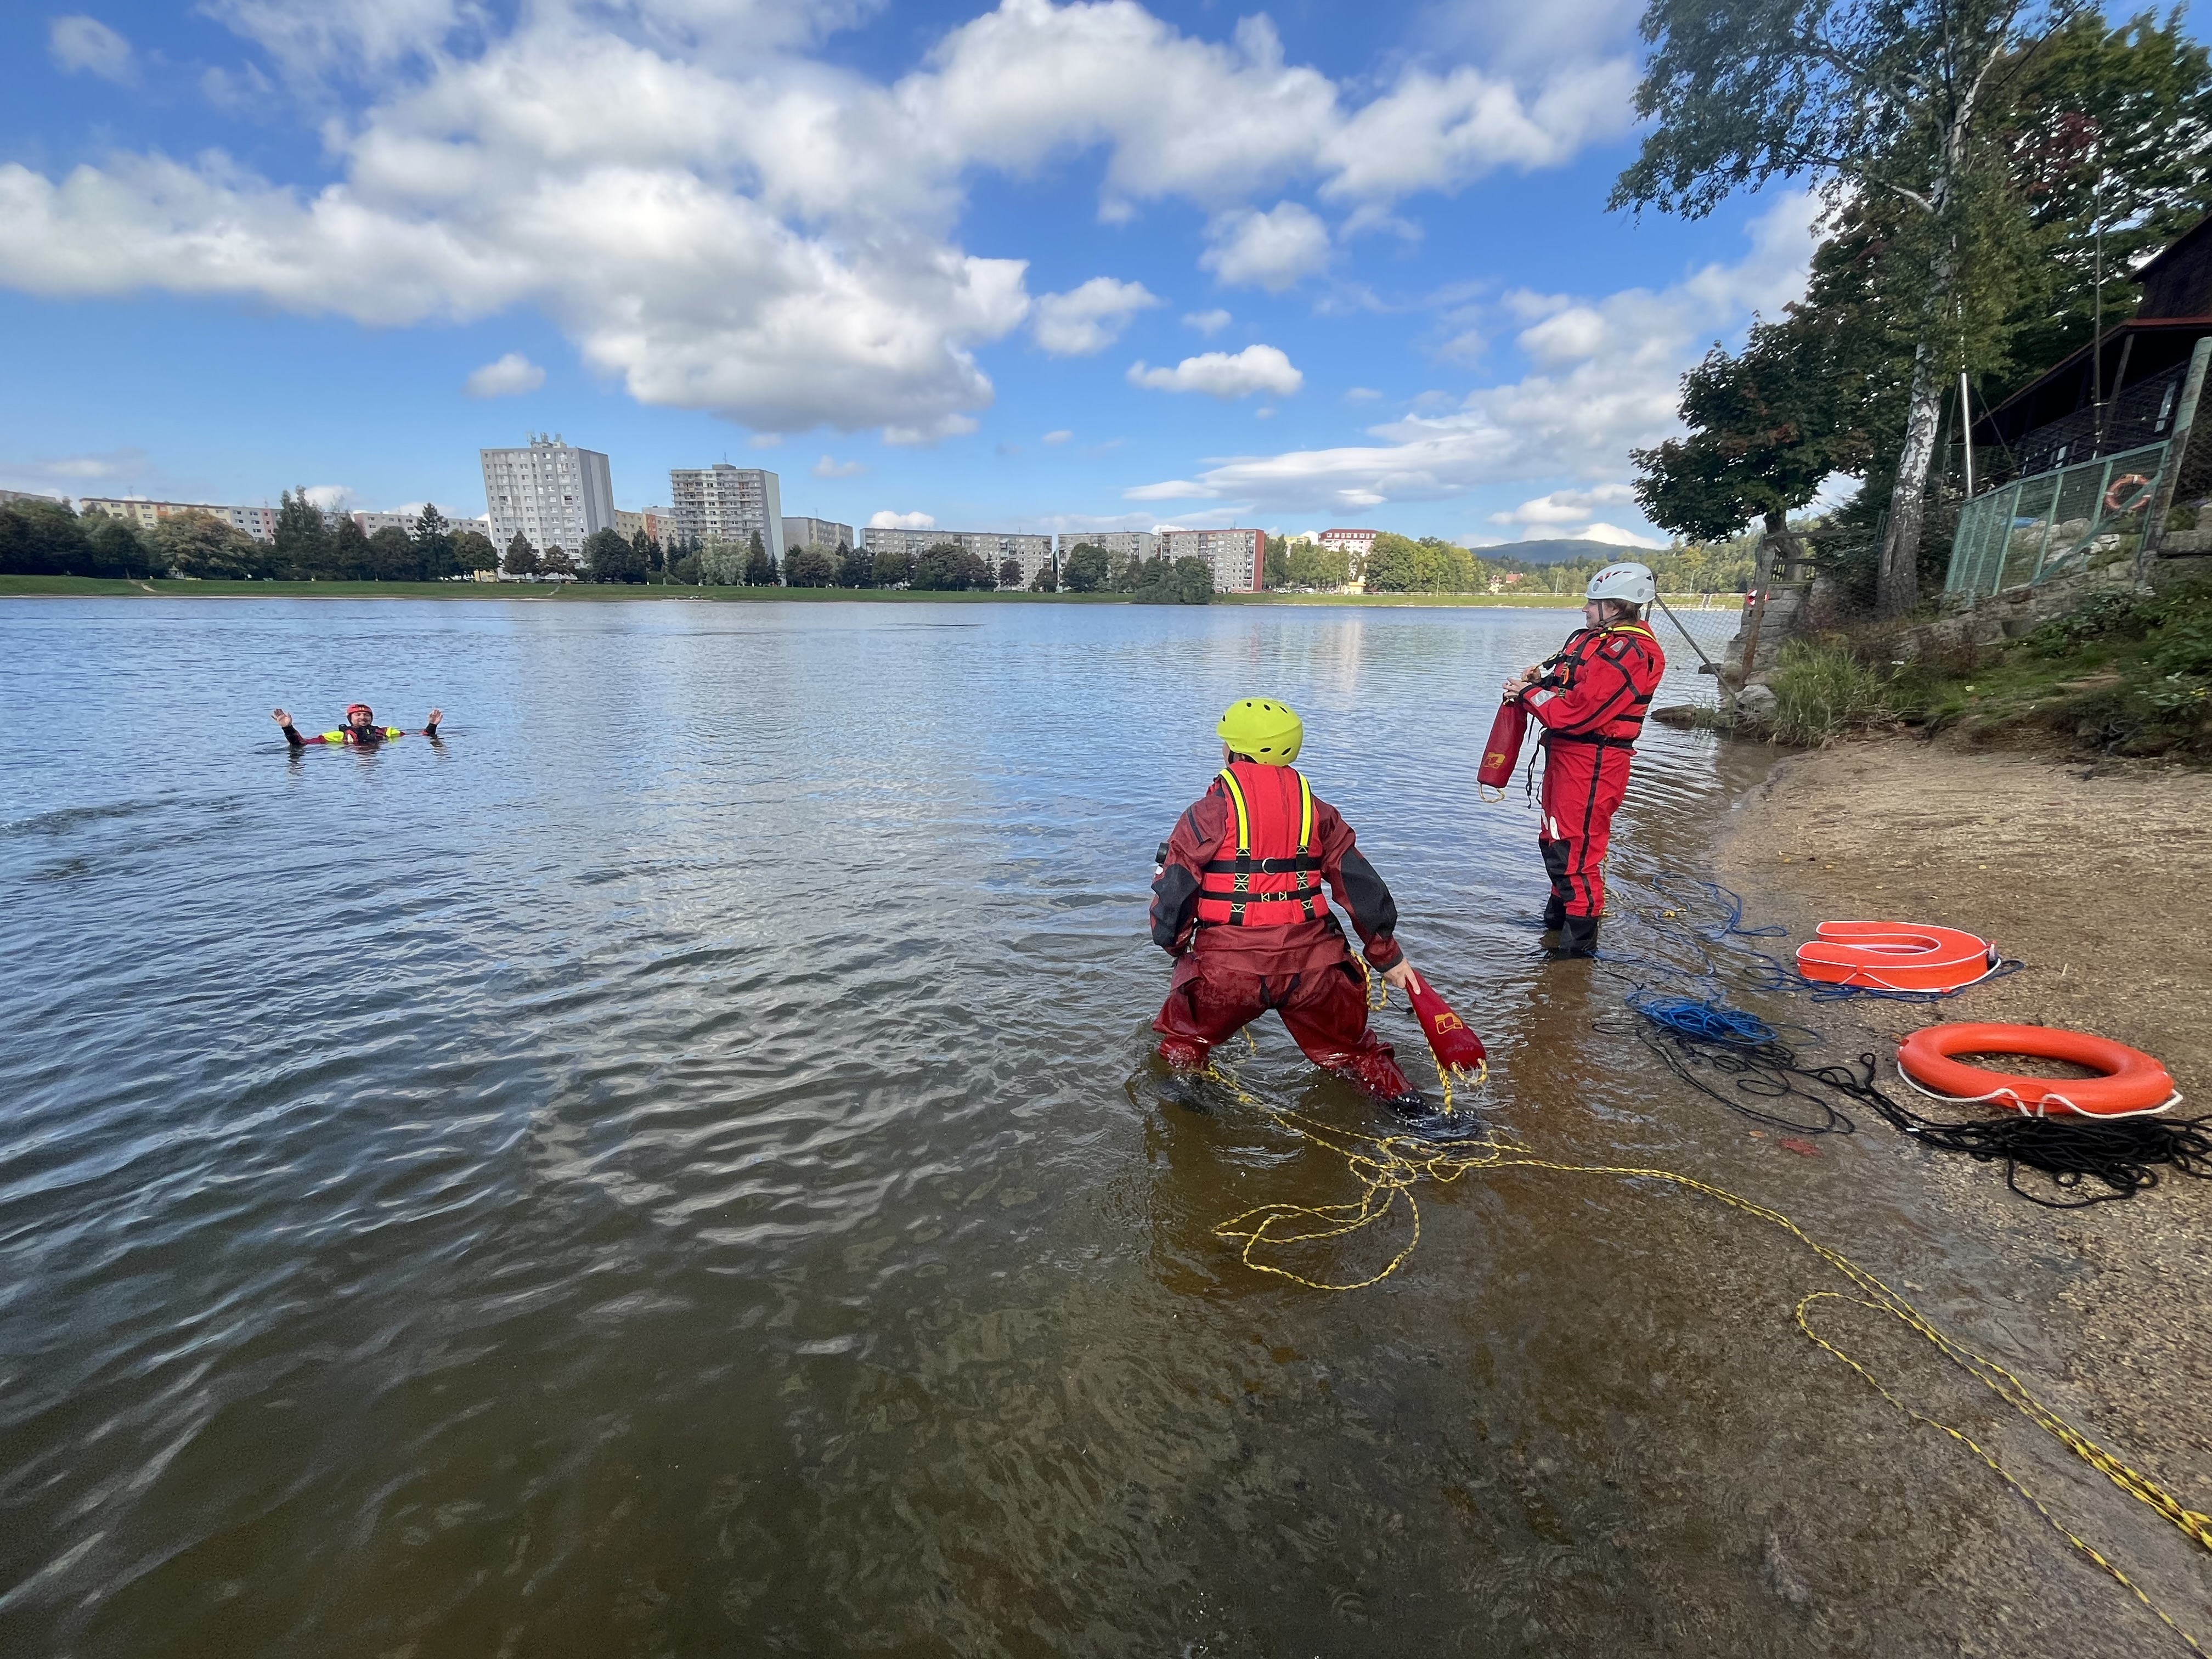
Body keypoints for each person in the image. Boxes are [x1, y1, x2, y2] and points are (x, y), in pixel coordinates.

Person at [1149, 697, 1424, 1110]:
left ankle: (1190, 1110)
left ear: (1234, 751)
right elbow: (1361, 886)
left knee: (1187, 1040)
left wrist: (1174, 946)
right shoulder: (1320, 813)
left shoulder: (1206, 814)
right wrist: (1388, 958)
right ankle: (1420, 1117)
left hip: (1228, 974)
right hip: (1317, 972)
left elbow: (1174, 893)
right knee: (1354, 1053)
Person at [1504, 562, 1666, 957]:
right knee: (1555, 839)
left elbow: (1577, 713)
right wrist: (1539, 683)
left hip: (1595, 761)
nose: (1585, 609)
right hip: (1569, 755)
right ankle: (1555, 928)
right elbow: (1570, 686)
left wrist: (1528, 694)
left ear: (1616, 607)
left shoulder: (1630, 651)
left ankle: (1576, 953)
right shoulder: (1598, 640)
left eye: (1592, 603)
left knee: (1574, 849)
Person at [272, 703, 442, 748]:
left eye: (366, 715)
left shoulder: (386, 732)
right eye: (358, 715)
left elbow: (421, 736)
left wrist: (432, 726)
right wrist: (287, 728)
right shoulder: (339, 736)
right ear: (350, 719)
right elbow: (301, 744)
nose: (363, 717)